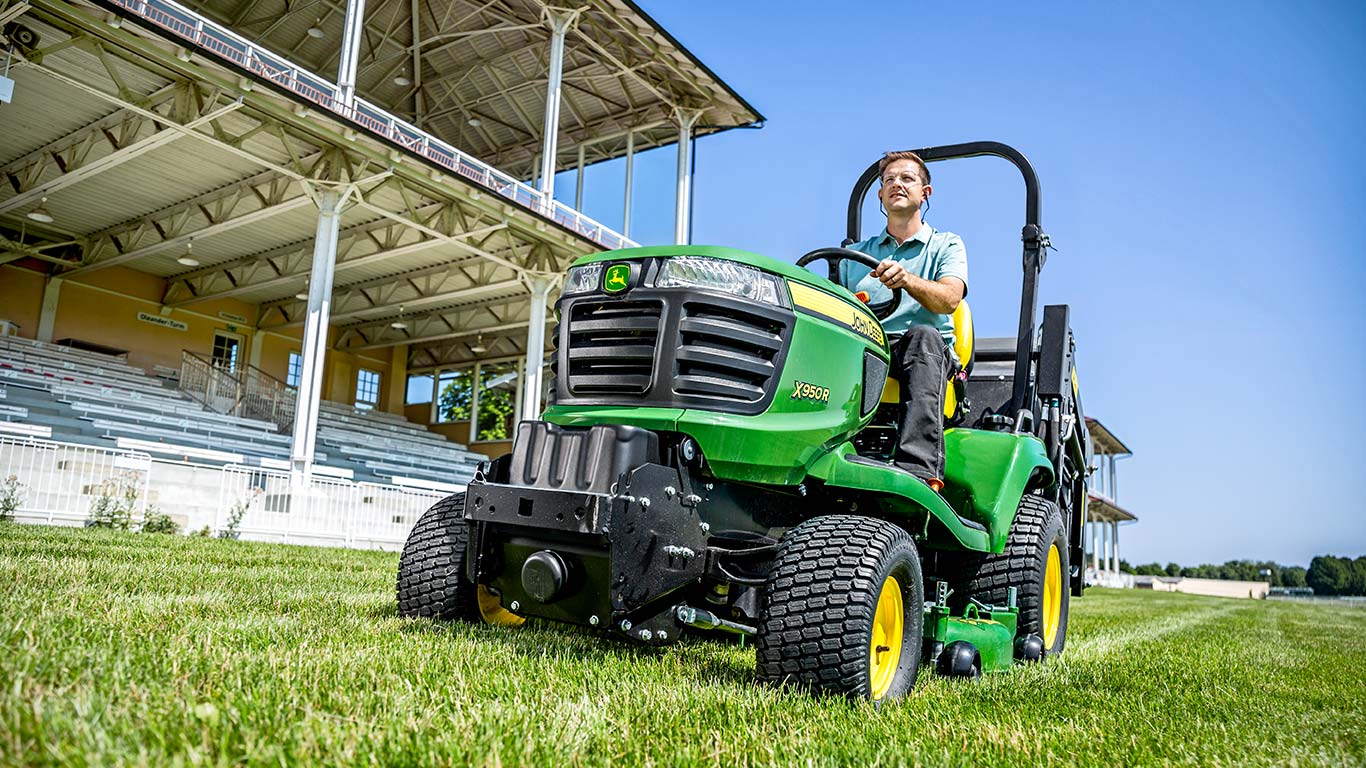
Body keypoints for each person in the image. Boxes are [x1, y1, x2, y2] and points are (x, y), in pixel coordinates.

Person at [841, 151, 968, 489]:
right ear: (880, 195)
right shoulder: (855, 254)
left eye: (907, 178)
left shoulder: (945, 245)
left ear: (925, 193)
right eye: (889, 180)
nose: (896, 183)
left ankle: (918, 472)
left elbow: (950, 299)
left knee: (923, 337)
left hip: (920, 353)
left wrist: (907, 280)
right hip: (867, 345)